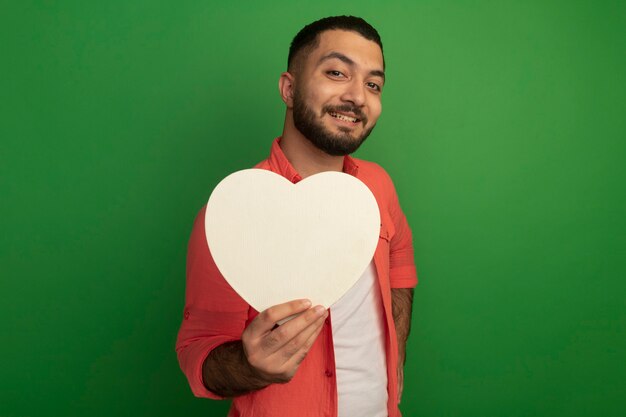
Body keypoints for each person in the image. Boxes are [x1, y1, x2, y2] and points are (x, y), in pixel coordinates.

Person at [176, 16, 417, 417]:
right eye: (337, 72)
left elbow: (401, 266)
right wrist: (250, 366)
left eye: (373, 84)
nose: (358, 96)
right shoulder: (231, 214)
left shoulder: (379, 186)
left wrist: (397, 358)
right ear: (289, 89)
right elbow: (197, 355)